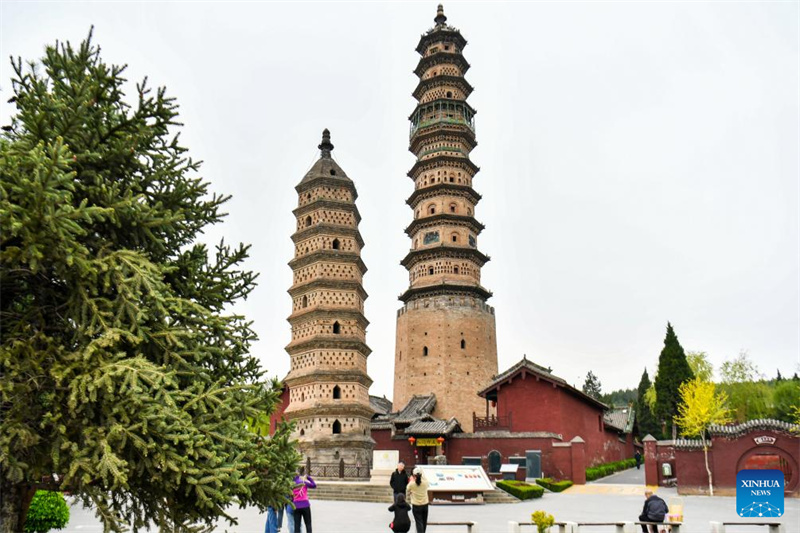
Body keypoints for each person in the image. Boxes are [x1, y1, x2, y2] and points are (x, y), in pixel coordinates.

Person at [406, 467, 430, 533]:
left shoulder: (412, 484)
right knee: (424, 522)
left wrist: (412, 480)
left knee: (419, 522)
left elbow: (407, 489)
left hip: (416, 505)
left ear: (414, 475)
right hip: (425, 504)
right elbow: (426, 481)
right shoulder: (425, 483)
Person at [292, 469, 316, 533]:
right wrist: (308, 477)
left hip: (296, 505)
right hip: (305, 505)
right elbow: (314, 485)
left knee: (297, 525)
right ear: (299, 475)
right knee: (308, 524)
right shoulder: (303, 482)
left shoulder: (291, 484)